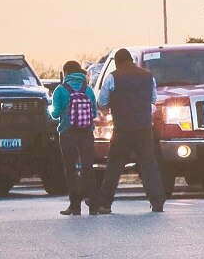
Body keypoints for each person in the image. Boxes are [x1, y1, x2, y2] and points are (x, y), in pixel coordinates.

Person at [95, 49, 166, 213]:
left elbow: (102, 101)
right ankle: (157, 201)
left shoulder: (113, 76)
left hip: (122, 128)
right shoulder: (148, 76)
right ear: (131, 60)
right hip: (144, 128)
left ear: (117, 62)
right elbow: (153, 100)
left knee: (115, 165)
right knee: (149, 164)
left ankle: (105, 203)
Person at [50, 60, 99, 216]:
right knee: (88, 168)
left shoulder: (60, 90)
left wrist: (52, 112)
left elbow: (55, 113)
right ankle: (94, 206)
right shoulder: (88, 90)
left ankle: (74, 206)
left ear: (66, 74)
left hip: (67, 132)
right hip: (86, 133)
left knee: (70, 169)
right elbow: (95, 113)